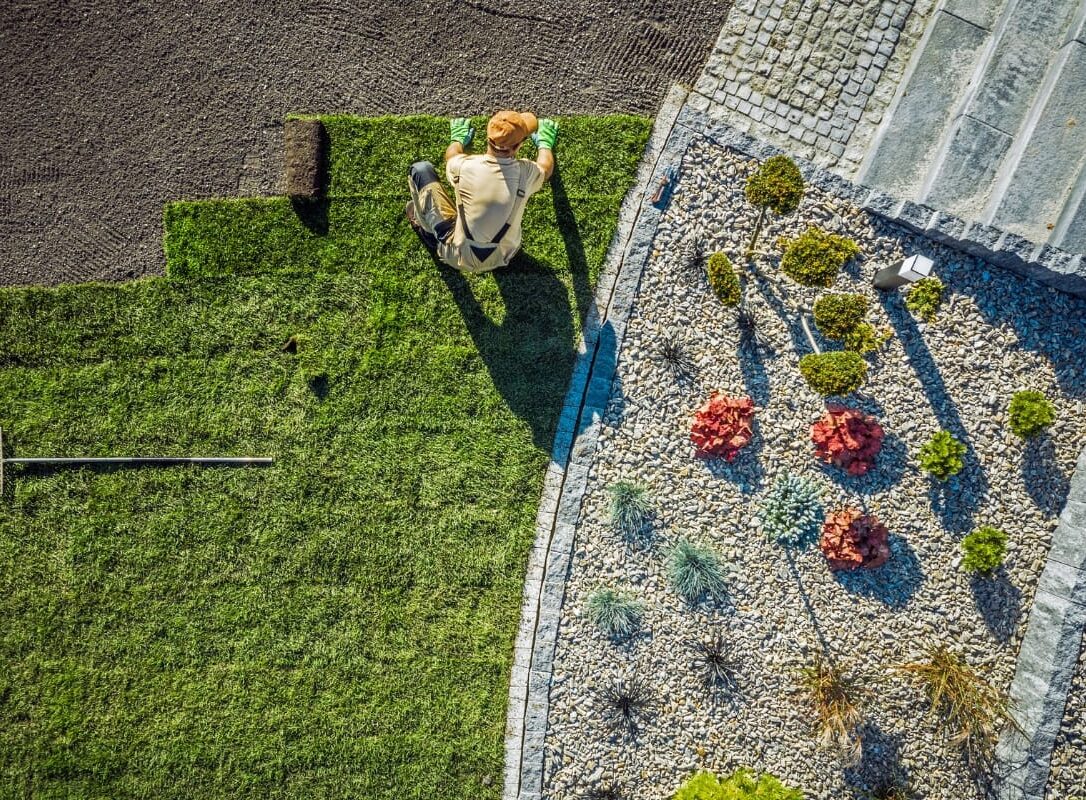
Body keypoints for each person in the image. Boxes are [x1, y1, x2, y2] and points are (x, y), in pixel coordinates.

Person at [406, 110, 558, 273]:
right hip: (504, 255)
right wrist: (544, 144)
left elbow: (452, 155)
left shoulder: (463, 166)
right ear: (517, 146)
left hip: (457, 255)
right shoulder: (526, 173)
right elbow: (546, 168)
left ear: (488, 138)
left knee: (421, 170)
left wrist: (457, 140)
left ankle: (427, 231)